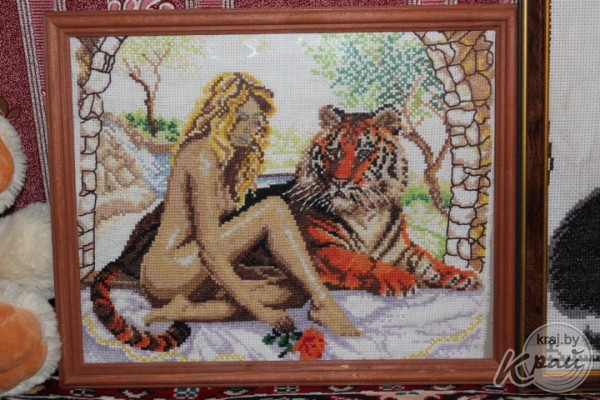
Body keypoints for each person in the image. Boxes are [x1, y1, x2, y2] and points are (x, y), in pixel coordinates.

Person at [140, 72, 359, 336]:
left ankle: (185, 311)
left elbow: (214, 244)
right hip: (168, 273)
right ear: (222, 116)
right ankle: (325, 303)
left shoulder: (229, 159)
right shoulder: (202, 155)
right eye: (242, 118)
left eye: (256, 121)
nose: (249, 127)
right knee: (274, 208)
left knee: (294, 292)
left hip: (193, 273)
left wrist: (247, 274)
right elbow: (209, 249)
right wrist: (260, 312)